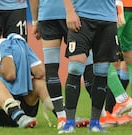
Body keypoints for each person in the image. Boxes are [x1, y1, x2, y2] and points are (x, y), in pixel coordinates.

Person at [29, 0, 94, 129]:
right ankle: (100, 113)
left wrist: (35, 21)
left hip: (47, 15)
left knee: (51, 67)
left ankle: (61, 117)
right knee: (88, 64)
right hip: (75, 14)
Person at [59, 0, 121, 133]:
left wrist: (119, 9)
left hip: (107, 20)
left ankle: (95, 123)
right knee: (75, 67)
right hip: (81, 18)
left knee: (102, 71)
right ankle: (69, 123)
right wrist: (70, 12)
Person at [0, 33, 54, 128]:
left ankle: (62, 115)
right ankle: (19, 117)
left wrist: (27, 51)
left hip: (13, 109)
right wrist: (6, 53)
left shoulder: (21, 55)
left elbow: (40, 73)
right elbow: (9, 75)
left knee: (38, 83)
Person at [100, 0, 132, 127]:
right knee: (129, 56)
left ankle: (122, 99)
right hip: (128, 8)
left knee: (101, 54)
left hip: (115, 8)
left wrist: (118, 7)